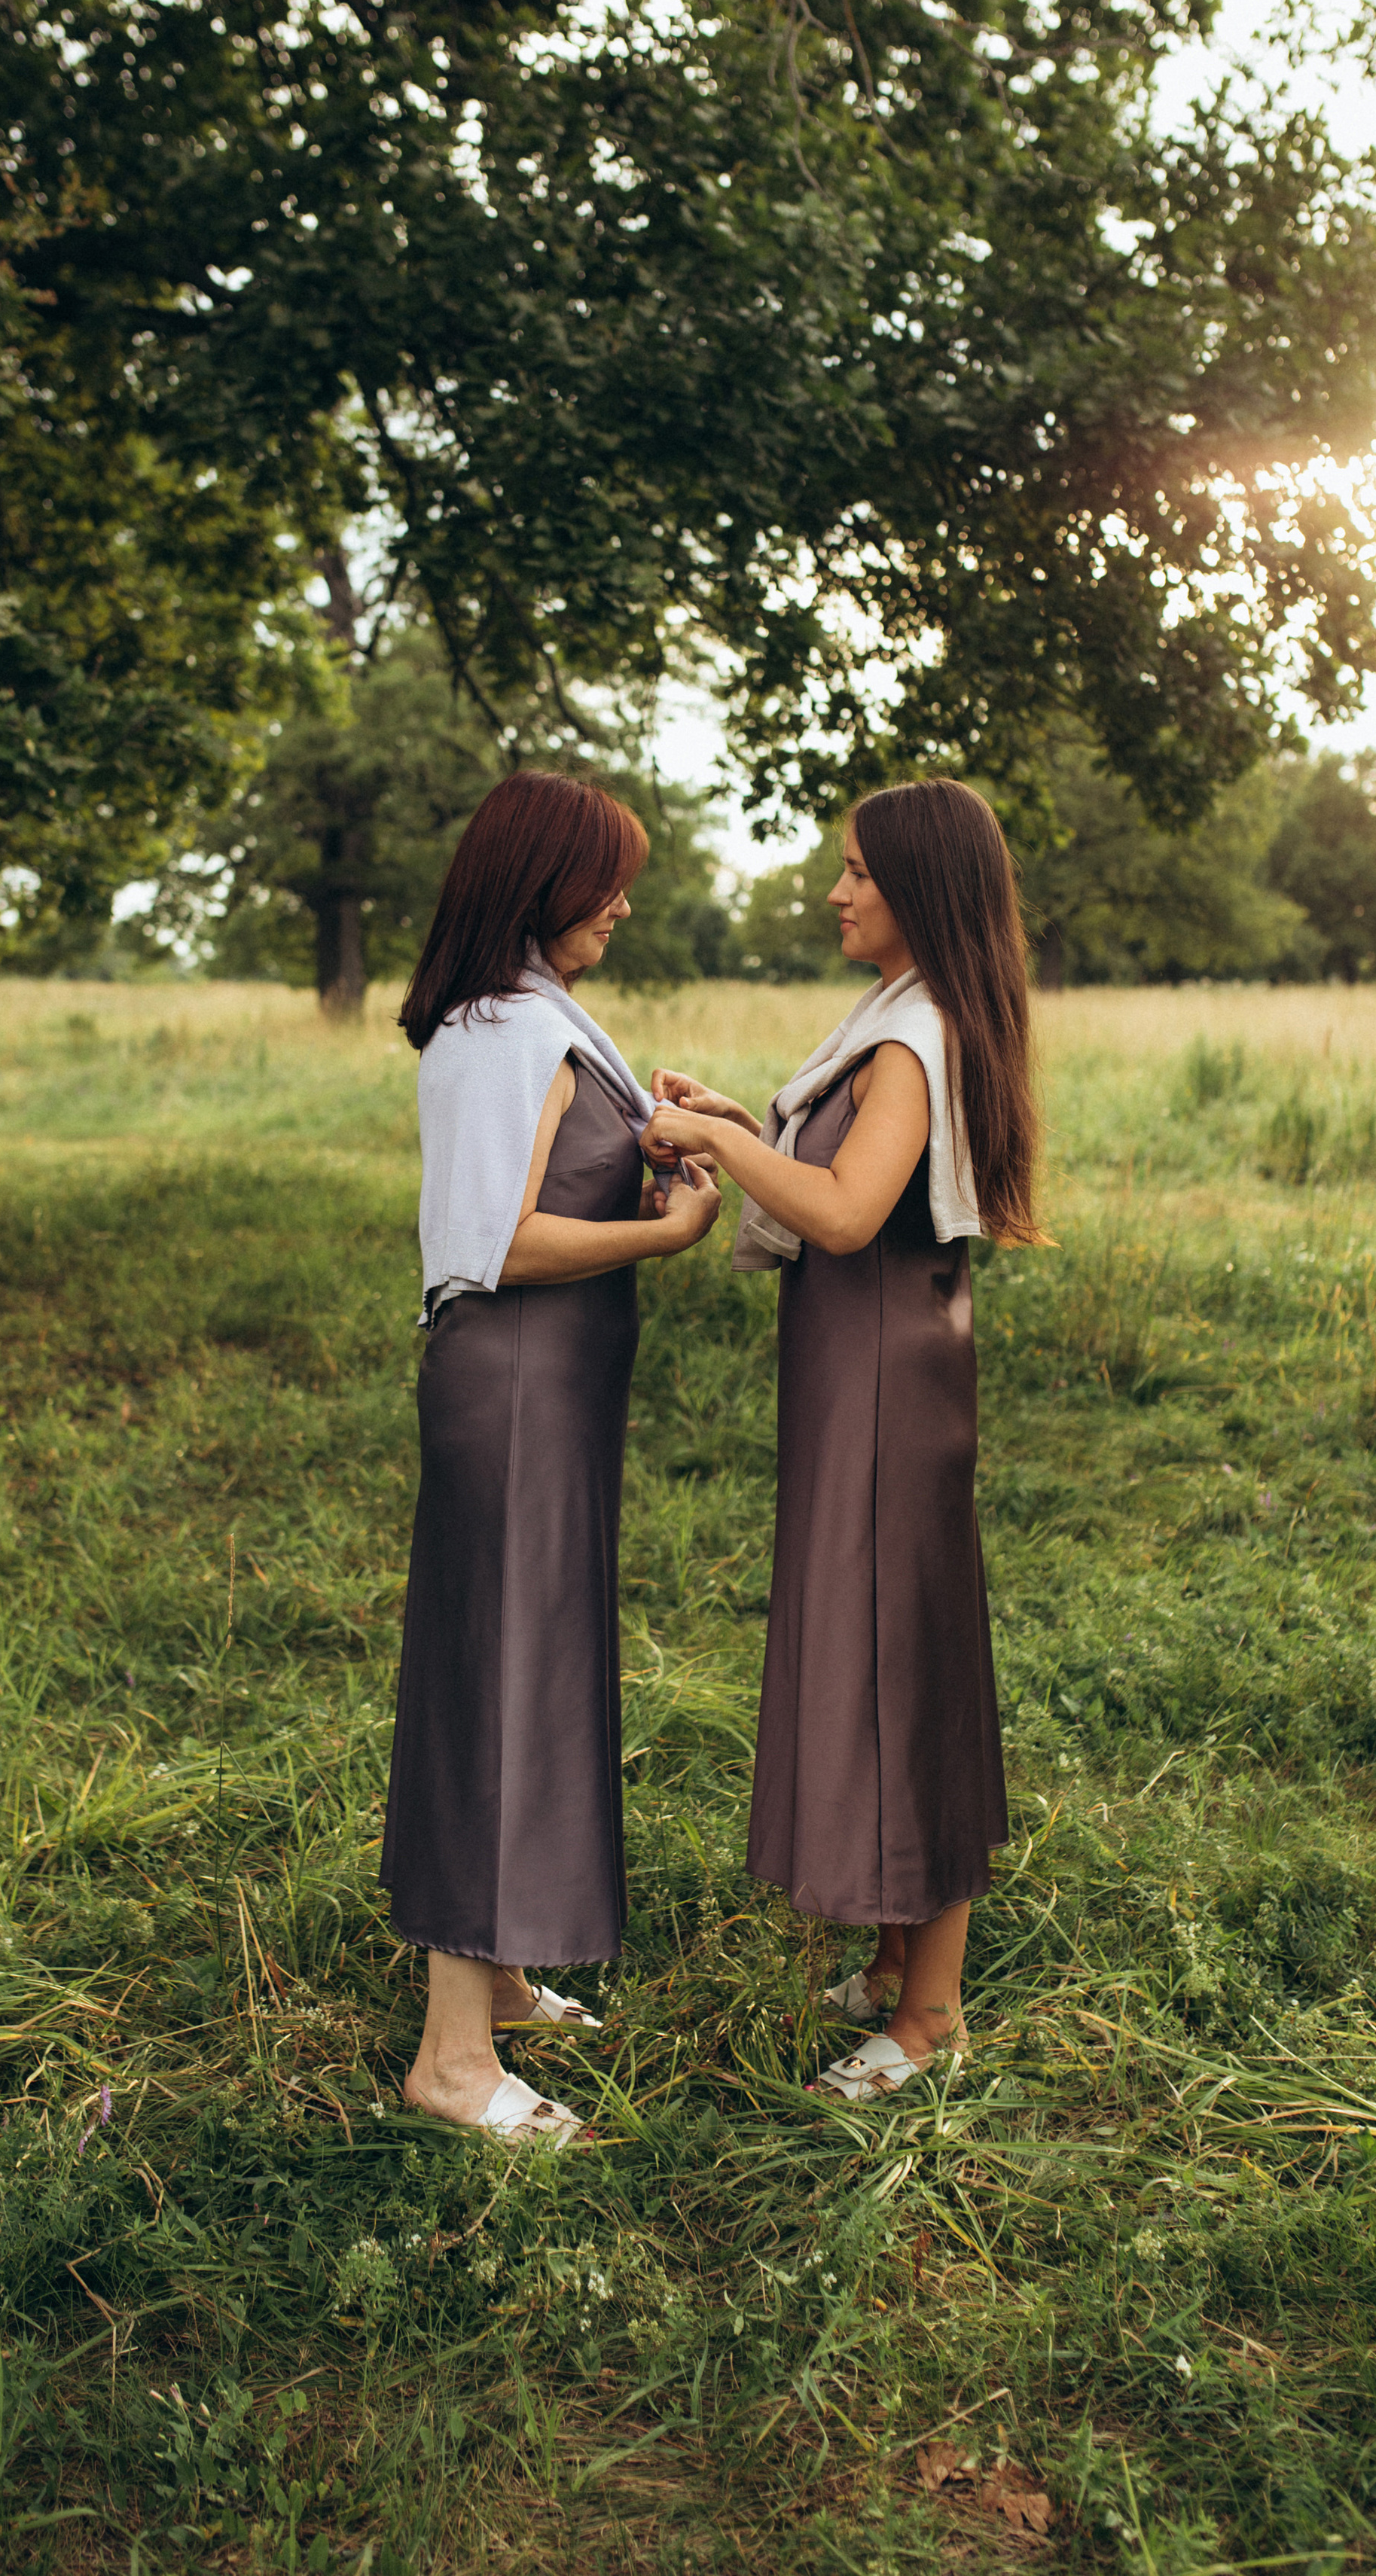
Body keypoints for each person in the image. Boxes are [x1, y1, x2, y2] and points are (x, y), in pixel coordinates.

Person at [645, 778, 1046, 2102]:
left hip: (884, 1389)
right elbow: (826, 1164)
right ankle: (889, 1965)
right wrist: (747, 1125)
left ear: (918, 889)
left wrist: (714, 1140)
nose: (835, 892)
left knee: (906, 1669)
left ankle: (928, 2022)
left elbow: (845, 1211)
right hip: (866, 1380)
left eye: (859, 873)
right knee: (880, 1656)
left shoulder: (915, 1033)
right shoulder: (902, 1017)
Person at [381, 770, 722, 2145]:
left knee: (532, 1670)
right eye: (608, 880)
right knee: (499, 1688)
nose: (626, 904)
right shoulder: (495, 1032)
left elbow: (554, 1186)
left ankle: (503, 1979)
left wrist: (652, 1149)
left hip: (557, 1393)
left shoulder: (549, 1022)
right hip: (511, 1388)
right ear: (542, 886)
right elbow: (495, 1246)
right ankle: (450, 2062)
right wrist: (664, 1237)